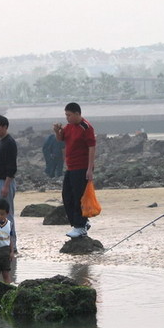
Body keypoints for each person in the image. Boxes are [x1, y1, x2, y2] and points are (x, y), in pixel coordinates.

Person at [53, 102, 96, 238]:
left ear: (77, 114)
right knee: (67, 195)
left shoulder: (86, 127)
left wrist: (89, 169)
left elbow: (92, 147)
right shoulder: (69, 126)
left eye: (69, 115)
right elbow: (61, 139)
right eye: (66, 115)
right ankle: (80, 223)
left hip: (81, 167)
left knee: (79, 197)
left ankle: (80, 226)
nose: (67, 118)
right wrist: (57, 131)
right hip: (71, 167)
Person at [0, 115, 18, 250]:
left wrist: (6, 186)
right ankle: (2, 242)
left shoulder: (9, 143)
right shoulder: (1, 142)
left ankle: (11, 245)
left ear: (5, 127)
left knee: (6, 214)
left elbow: (11, 167)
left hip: (4, 184)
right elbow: (0, 164)